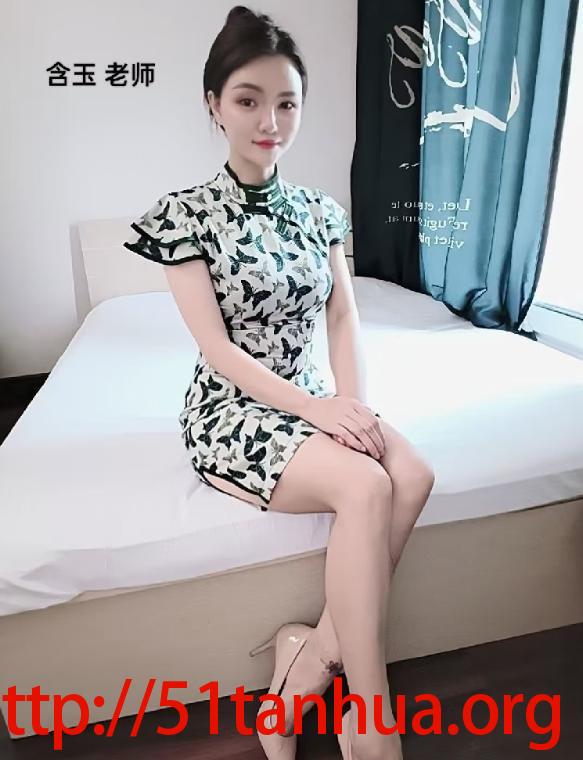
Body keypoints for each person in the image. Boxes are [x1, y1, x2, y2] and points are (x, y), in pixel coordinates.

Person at [123, 6, 435, 759]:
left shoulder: (319, 210)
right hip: (234, 409)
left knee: (414, 473)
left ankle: (309, 659)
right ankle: (371, 720)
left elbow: (343, 315)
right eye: (248, 100)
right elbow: (215, 349)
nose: (270, 121)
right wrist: (319, 412)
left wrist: (352, 407)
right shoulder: (184, 216)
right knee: (367, 487)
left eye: (286, 103)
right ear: (214, 105)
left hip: (315, 399)